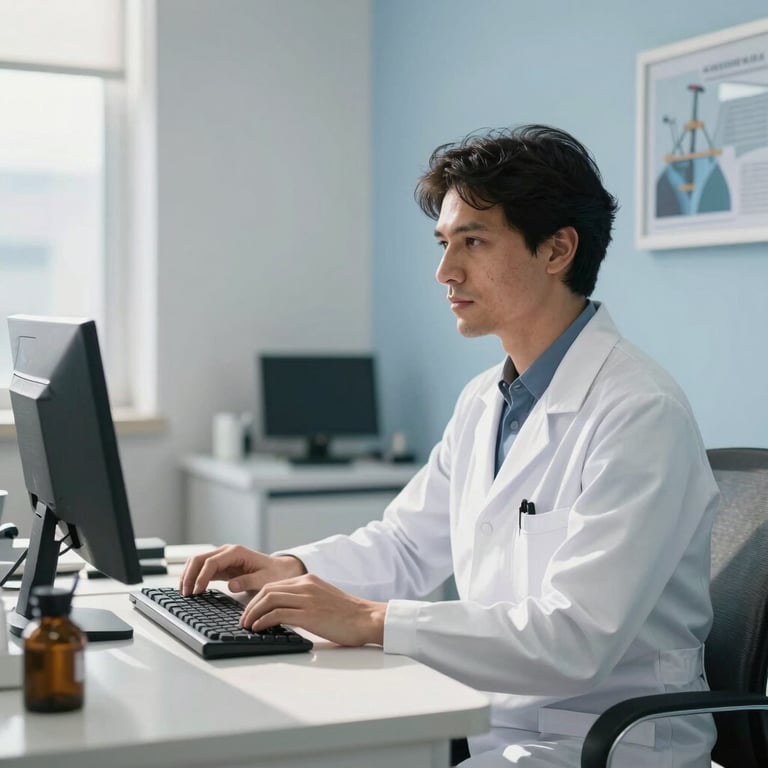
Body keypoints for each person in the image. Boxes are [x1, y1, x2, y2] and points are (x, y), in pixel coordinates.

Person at [181, 125, 719, 768]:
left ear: (556, 251)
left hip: (609, 744)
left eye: (473, 241)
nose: (445, 271)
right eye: (443, 243)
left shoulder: (638, 413)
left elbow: (577, 637)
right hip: (495, 723)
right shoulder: (483, 401)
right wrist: (290, 570)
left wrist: (372, 619)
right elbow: (407, 544)